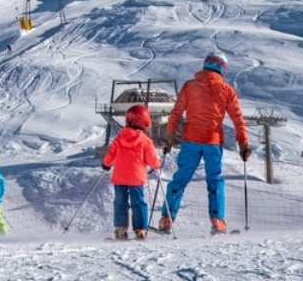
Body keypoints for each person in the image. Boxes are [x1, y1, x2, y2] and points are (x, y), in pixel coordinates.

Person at [159, 51, 251, 235]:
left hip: (190, 140)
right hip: (213, 142)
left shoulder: (190, 86)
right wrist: (243, 144)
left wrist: (169, 137)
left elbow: (176, 113)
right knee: (214, 180)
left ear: (205, 64)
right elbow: (237, 119)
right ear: (222, 68)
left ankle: (166, 219)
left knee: (180, 179)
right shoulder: (226, 90)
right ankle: (217, 221)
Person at [102, 104, 161, 240]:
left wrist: (106, 164)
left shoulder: (119, 138)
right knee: (138, 203)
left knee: (120, 203)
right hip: (136, 178)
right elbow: (152, 161)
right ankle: (140, 230)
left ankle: (120, 230)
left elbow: (111, 153)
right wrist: (157, 164)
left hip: (119, 177)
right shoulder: (146, 141)